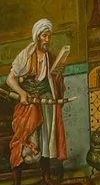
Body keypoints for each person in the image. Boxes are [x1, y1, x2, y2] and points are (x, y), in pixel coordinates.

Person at [4, 17, 70, 176]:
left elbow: (55, 81)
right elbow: (9, 79)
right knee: (23, 138)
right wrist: (22, 93)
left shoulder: (51, 57)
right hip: (28, 103)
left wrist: (58, 76)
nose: (47, 40)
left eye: (49, 36)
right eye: (44, 36)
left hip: (46, 101)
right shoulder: (25, 55)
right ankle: (17, 182)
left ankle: (46, 177)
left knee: (46, 140)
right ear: (37, 36)